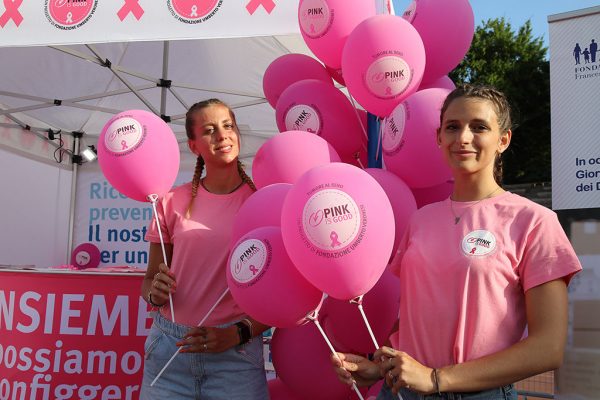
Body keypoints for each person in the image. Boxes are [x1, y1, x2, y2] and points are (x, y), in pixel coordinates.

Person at [331, 85, 582, 400]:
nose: (463, 137)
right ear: (439, 137)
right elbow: (416, 317)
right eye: (453, 127)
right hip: (402, 392)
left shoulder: (534, 221)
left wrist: (436, 378)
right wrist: (379, 368)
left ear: (503, 140)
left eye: (479, 127)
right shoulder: (420, 220)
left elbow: (548, 348)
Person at [139, 99, 270, 399]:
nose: (222, 136)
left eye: (228, 126)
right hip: (169, 350)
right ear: (194, 146)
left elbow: (283, 298)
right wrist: (154, 292)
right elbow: (148, 283)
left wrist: (236, 334)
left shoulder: (264, 202)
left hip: (235, 358)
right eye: (210, 130)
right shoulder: (171, 201)